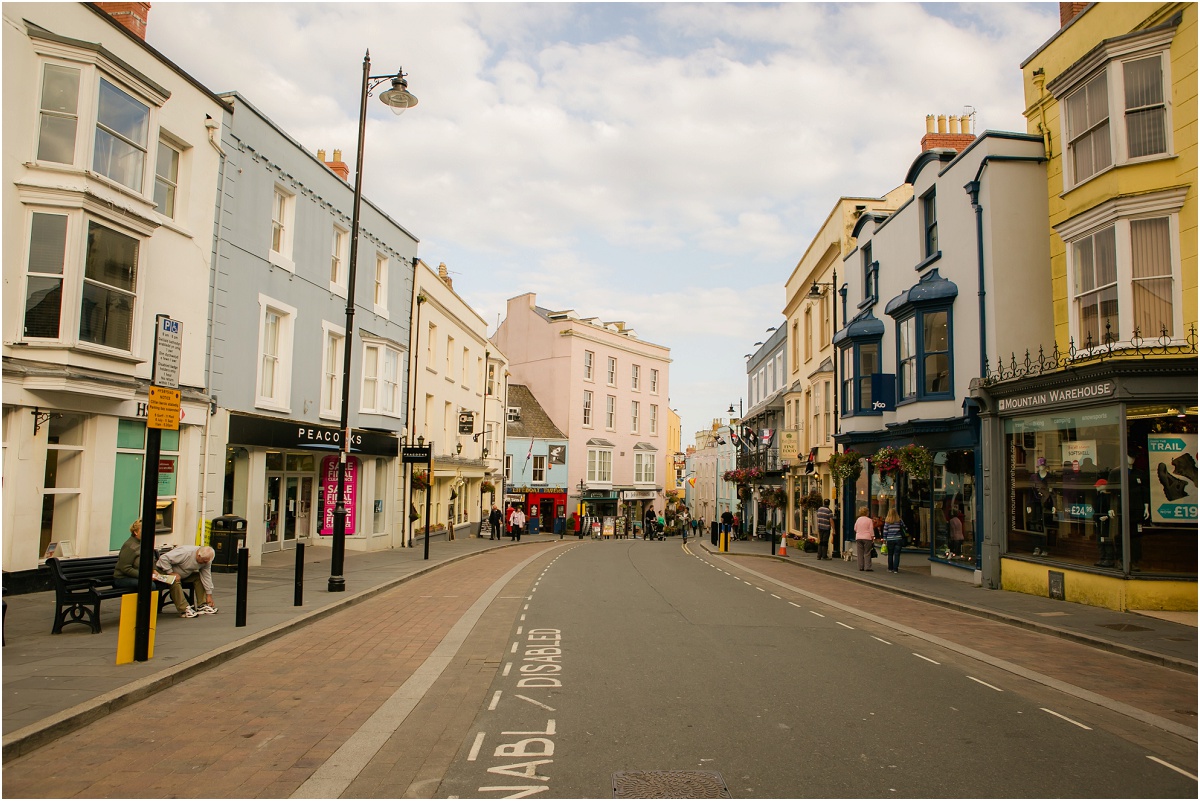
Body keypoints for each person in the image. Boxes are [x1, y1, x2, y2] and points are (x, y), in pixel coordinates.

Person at [156, 544, 217, 618]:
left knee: (198, 577)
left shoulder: (207, 560)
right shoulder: (185, 552)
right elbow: (163, 558)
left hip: (183, 574)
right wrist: (170, 572)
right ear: (198, 555)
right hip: (162, 572)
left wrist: (209, 595)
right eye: (203, 561)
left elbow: (206, 576)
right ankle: (184, 609)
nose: (205, 563)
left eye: (207, 562)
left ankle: (202, 605)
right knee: (174, 580)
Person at [112, 519, 145, 590]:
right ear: (135, 532)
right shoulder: (130, 546)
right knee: (149, 585)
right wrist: (144, 576)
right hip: (123, 578)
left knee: (160, 584)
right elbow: (125, 568)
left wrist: (154, 571)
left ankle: (156, 601)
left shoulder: (144, 544)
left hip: (138, 576)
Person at [882, 507, 904, 573]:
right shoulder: (899, 521)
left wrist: (884, 539)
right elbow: (904, 528)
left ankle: (890, 568)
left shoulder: (887, 521)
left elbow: (885, 531)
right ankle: (895, 569)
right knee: (897, 554)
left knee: (890, 554)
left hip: (890, 539)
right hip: (898, 539)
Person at [854, 506, 876, 571]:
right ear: (867, 512)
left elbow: (855, 528)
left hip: (858, 537)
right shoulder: (869, 520)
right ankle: (868, 567)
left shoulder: (858, 519)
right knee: (867, 552)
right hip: (867, 537)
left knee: (860, 553)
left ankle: (861, 567)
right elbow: (871, 530)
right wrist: (872, 537)